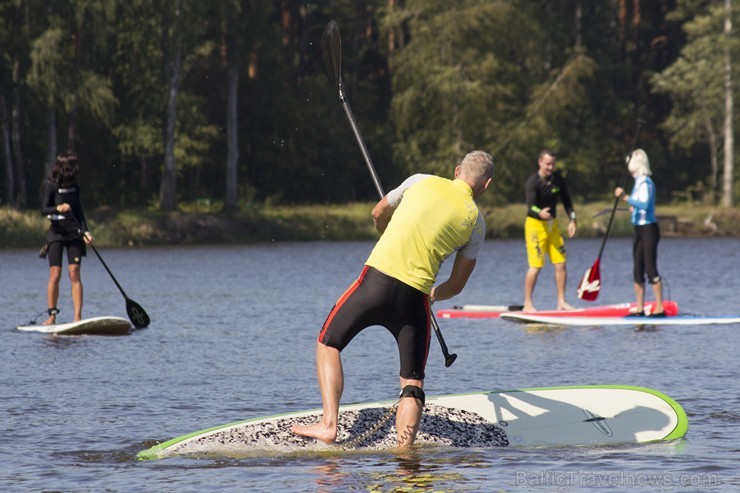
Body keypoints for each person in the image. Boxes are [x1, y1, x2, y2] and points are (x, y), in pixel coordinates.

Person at [290, 150, 495, 448]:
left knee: (328, 342)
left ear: (456, 170)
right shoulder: (476, 223)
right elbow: (457, 285)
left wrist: (385, 230)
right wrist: (434, 295)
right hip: (415, 301)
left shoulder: (420, 181)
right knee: (412, 383)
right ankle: (404, 453)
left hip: (375, 283)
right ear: (485, 185)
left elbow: (377, 213)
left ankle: (328, 425)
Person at [40, 153, 94, 325]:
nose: (75, 172)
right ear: (63, 168)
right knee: (55, 274)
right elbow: (43, 209)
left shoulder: (75, 187)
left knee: (74, 273)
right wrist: (58, 207)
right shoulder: (51, 185)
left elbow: (79, 212)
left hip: (74, 234)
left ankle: (77, 317)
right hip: (56, 234)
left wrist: (86, 232)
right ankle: (52, 316)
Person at [523, 149, 577, 312]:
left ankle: (561, 302)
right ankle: (528, 304)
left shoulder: (558, 180)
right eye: (547, 164)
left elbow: (567, 201)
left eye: (553, 164)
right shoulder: (533, 182)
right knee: (536, 266)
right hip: (535, 225)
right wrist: (540, 212)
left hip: (553, 225)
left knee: (561, 263)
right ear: (540, 162)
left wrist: (573, 220)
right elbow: (530, 206)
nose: (550, 167)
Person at [615, 149, 665, 317]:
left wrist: (625, 197)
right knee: (637, 269)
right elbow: (638, 203)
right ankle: (639, 308)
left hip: (649, 229)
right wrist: (631, 205)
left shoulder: (645, 182)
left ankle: (659, 307)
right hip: (638, 229)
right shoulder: (637, 182)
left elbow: (644, 204)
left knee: (650, 268)